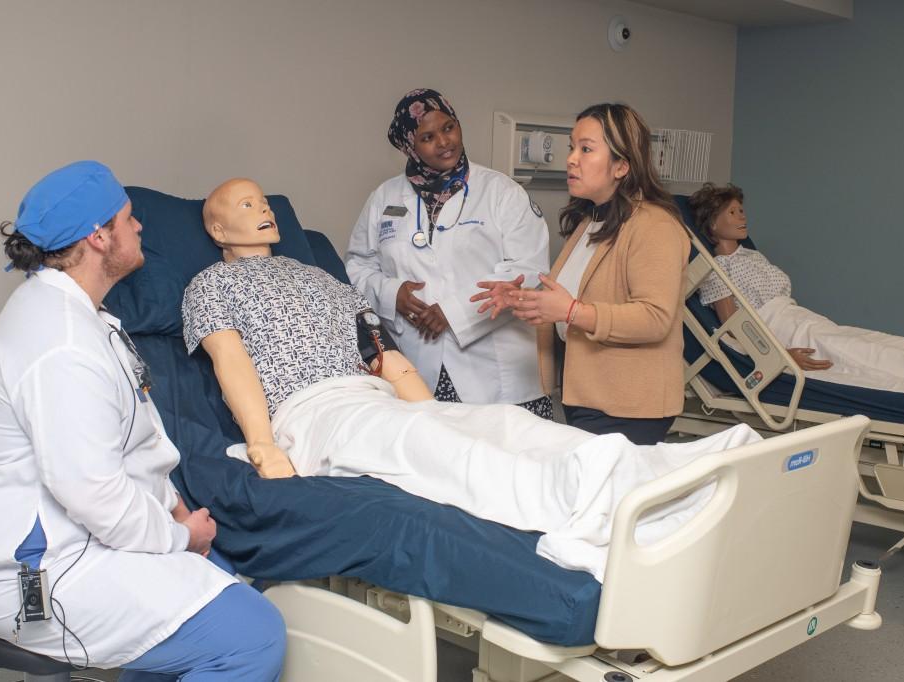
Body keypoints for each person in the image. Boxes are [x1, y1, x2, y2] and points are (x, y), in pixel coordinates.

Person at [181, 177, 758, 580]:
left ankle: (667, 471)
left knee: (497, 424)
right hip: (314, 413)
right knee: (443, 450)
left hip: (380, 398)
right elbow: (232, 366)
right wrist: (262, 445)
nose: (263, 208)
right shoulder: (211, 285)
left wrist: (432, 409)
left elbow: (381, 355)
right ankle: (604, 506)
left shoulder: (321, 279)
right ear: (216, 227)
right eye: (245, 202)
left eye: (264, 199)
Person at [0, 162, 285, 681]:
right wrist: (181, 539)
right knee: (252, 637)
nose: (140, 226)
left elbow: (136, 447)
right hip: (34, 568)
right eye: (128, 218)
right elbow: (94, 493)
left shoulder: (90, 320)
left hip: (77, 537)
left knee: (222, 584)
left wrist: (175, 510)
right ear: (99, 237)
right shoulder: (61, 343)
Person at [472, 103, 690, 445]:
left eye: (586, 149)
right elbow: (574, 300)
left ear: (621, 165)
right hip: (589, 396)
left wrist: (572, 312)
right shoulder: (591, 222)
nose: (571, 158)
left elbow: (654, 317)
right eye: (572, 147)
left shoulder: (654, 226)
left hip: (631, 405)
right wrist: (523, 300)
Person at [345, 88, 552, 417]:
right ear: (409, 145)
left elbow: (528, 271)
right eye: (427, 137)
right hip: (418, 367)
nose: (444, 142)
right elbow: (357, 266)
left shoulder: (502, 193)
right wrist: (392, 293)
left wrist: (453, 313)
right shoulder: (384, 198)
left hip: (498, 379)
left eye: (449, 127)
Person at [689, 182, 904, 393]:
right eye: (732, 212)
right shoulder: (716, 270)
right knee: (863, 356)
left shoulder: (753, 256)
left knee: (876, 343)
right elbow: (731, 330)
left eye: (741, 210)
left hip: (804, 320)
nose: (742, 217)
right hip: (783, 333)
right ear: (712, 224)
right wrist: (779, 356)